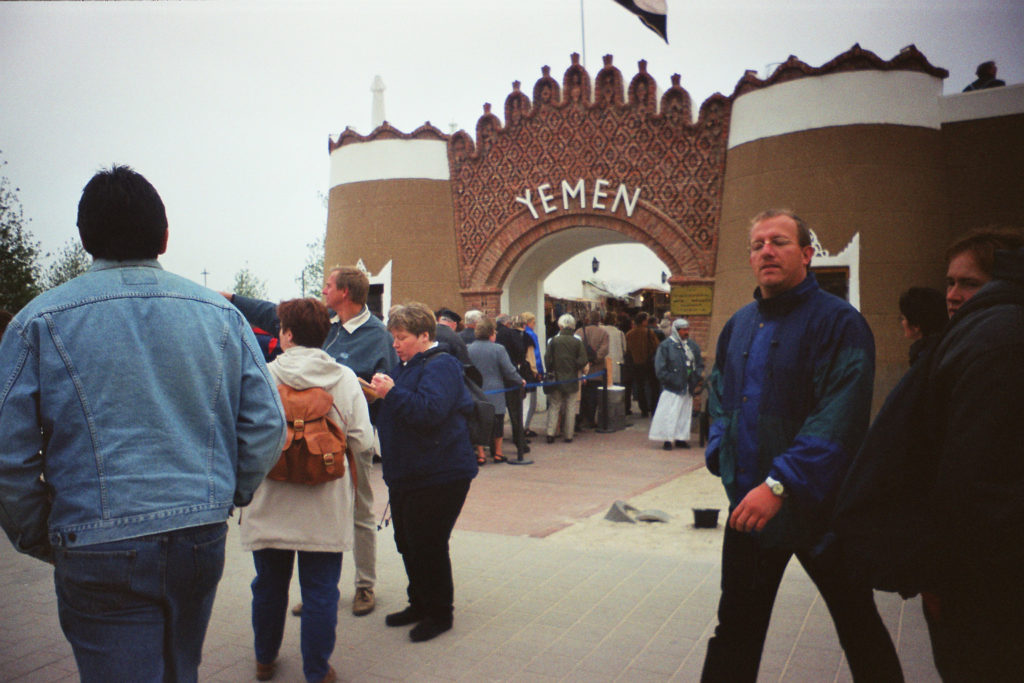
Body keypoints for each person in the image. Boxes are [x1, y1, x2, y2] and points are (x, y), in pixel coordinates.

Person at [0, 165, 287, 682]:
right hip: (198, 534)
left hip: (95, 540)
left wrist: (37, 534)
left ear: (86, 238)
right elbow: (268, 424)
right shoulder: (221, 316)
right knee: (182, 668)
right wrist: (225, 493)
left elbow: (9, 453)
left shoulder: (37, 322)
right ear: (164, 236)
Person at [700, 209, 902, 682]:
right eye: (757, 245)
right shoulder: (740, 324)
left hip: (821, 511)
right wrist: (720, 450)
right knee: (735, 630)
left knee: (857, 624)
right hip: (749, 506)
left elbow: (839, 415)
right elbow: (719, 395)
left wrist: (782, 482)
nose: (766, 250)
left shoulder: (840, 323)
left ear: (807, 254)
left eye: (779, 241)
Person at [828, 228, 1024, 682]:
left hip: (985, 588)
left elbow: (974, 483)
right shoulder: (974, 336)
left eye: (969, 283)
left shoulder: (998, 342)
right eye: (950, 283)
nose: (954, 296)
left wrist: (940, 578)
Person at [226, 266, 396, 617]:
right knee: (307, 514)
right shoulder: (325, 324)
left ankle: (365, 585)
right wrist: (231, 300)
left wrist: (363, 391)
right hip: (296, 438)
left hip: (346, 440)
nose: (323, 289)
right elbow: (271, 313)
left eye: (328, 285)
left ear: (344, 293)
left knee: (361, 512)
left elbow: (386, 385)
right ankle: (317, 592)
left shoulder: (377, 335)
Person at [241, 298, 373, 683]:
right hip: (324, 502)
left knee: (267, 585)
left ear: (286, 334)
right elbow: (363, 441)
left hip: (270, 498)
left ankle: (265, 660)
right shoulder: (344, 378)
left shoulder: (262, 375)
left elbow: (244, 436)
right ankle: (316, 670)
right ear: (325, 334)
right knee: (320, 591)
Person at [369, 303, 477, 642]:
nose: (395, 344)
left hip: (440, 472)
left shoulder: (441, 364)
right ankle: (419, 603)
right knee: (407, 541)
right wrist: (378, 396)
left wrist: (391, 392)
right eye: (393, 338)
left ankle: (440, 612)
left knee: (428, 543)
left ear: (424, 336)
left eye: (401, 338)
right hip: (409, 472)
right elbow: (401, 407)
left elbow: (429, 412)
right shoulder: (406, 365)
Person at [467, 316, 525, 463]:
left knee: (478, 422)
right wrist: (520, 380)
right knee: (497, 423)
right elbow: (509, 370)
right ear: (491, 332)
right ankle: (498, 453)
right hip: (496, 391)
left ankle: (481, 455)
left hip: (476, 391)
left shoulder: (468, 348)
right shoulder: (498, 349)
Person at [649, 318, 703, 450]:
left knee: (684, 415)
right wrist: (671, 379)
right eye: (683, 330)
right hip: (672, 388)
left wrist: (694, 379)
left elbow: (699, 364)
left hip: (687, 386)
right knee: (669, 414)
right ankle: (667, 439)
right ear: (676, 331)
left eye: (687, 329)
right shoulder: (666, 346)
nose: (686, 332)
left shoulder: (692, 346)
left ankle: (681, 438)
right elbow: (660, 368)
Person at [544, 313, 588, 443]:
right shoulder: (577, 341)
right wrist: (575, 366)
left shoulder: (553, 341)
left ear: (560, 325)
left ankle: (550, 433)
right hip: (572, 378)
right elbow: (583, 359)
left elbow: (548, 359)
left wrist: (551, 369)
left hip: (556, 378)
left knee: (554, 405)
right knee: (570, 407)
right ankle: (568, 434)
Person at [495, 313, 529, 457]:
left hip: (495, 378)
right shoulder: (509, 334)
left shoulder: (495, 334)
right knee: (515, 412)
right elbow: (520, 351)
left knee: (496, 414)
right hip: (510, 376)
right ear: (507, 323)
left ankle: (494, 445)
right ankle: (520, 442)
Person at [897, 286, 946, 365]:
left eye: (902, 318)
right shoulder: (944, 349)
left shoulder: (925, 358)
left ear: (916, 325)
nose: (902, 323)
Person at [578, 310, 609, 428]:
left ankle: (581, 418)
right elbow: (604, 350)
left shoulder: (579, 331)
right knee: (593, 396)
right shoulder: (603, 333)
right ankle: (590, 419)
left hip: (581, 370)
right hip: (597, 370)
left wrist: (583, 361)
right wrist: (594, 359)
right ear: (599, 320)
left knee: (582, 396)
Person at [625, 311, 658, 417]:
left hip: (636, 363)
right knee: (653, 386)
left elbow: (627, 350)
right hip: (649, 363)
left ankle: (643, 409)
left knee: (640, 387)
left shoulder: (629, 334)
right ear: (644, 321)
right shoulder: (649, 332)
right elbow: (656, 347)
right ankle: (653, 408)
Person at [519, 311, 545, 436]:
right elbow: (535, 356)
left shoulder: (520, 334)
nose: (535, 324)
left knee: (526, 402)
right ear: (529, 323)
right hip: (530, 372)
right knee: (529, 403)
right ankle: (524, 428)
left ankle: (524, 427)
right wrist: (539, 371)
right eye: (533, 322)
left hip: (522, 371)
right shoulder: (531, 335)